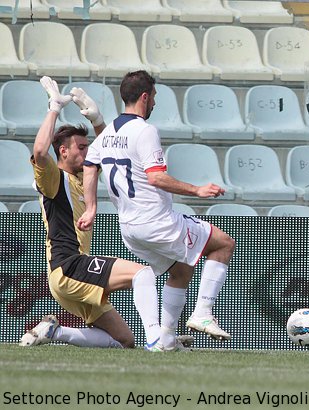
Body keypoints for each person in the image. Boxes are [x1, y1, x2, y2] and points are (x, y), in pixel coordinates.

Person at [77, 70, 236, 351]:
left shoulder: (110, 131)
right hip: (158, 222)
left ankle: (166, 338)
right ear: (145, 96)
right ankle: (202, 313)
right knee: (223, 244)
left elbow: (90, 167)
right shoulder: (145, 130)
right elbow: (156, 177)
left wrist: (91, 208)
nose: (154, 105)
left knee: (182, 270)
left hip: (129, 228)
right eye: (154, 98)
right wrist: (197, 190)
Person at [20, 76, 164, 350]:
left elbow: (110, 148)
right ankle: (158, 338)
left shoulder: (84, 174)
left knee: (124, 340)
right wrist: (54, 107)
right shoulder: (55, 178)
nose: (89, 153)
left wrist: (98, 120)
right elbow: (40, 151)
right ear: (63, 151)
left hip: (70, 275)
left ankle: (55, 332)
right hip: (68, 265)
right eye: (81, 148)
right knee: (142, 273)